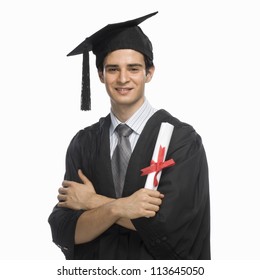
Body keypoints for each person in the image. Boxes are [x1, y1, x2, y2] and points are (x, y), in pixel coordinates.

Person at [48, 11, 211, 260]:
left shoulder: (182, 141)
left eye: (133, 68)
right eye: (113, 69)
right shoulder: (84, 143)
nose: (123, 78)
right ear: (101, 75)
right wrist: (122, 207)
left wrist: (93, 202)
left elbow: (169, 228)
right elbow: (64, 229)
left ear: (149, 72)